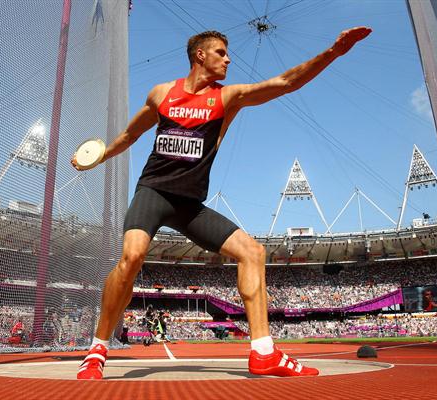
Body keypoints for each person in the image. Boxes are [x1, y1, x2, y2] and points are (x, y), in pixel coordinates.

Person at [74, 26, 371, 379]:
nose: (229, 59)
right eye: (221, 53)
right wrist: (100, 154)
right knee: (132, 256)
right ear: (200, 55)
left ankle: (263, 352)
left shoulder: (228, 97)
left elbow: (286, 82)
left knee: (253, 252)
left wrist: (333, 52)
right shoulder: (161, 94)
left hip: (189, 205)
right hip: (153, 193)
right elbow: (129, 135)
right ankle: (97, 349)